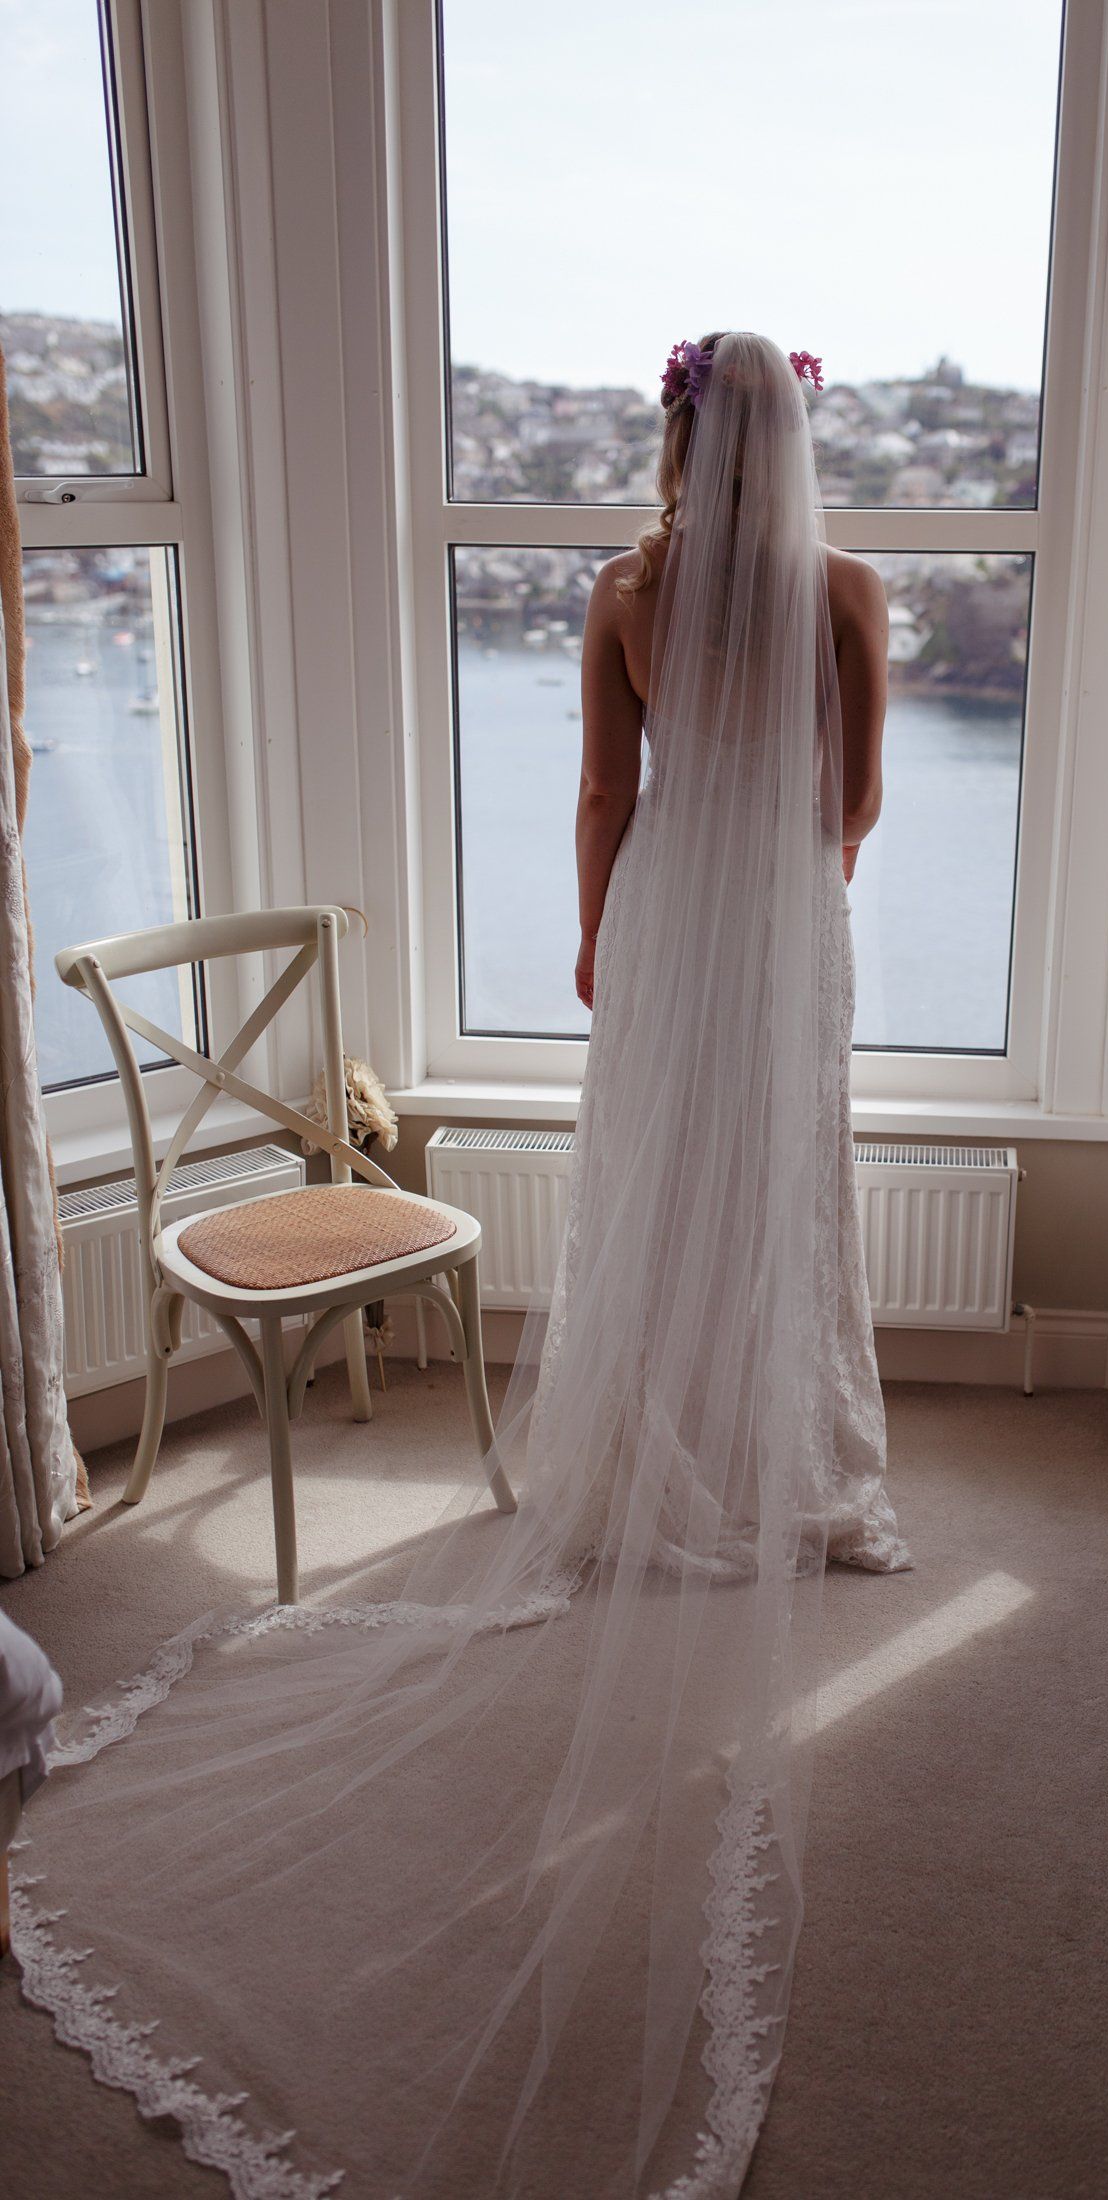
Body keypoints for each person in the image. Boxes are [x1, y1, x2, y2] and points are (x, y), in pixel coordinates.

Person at [16, 332, 909, 2200]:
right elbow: (858, 808)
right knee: (778, 1190)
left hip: (669, 904)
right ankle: (788, 1459)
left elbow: (602, 794)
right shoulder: (846, 587)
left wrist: (598, 936)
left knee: (656, 1185)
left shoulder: (626, 594)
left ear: (680, 436)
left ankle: (655, 1445)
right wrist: (788, 875)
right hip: (780, 912)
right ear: (799, 436)